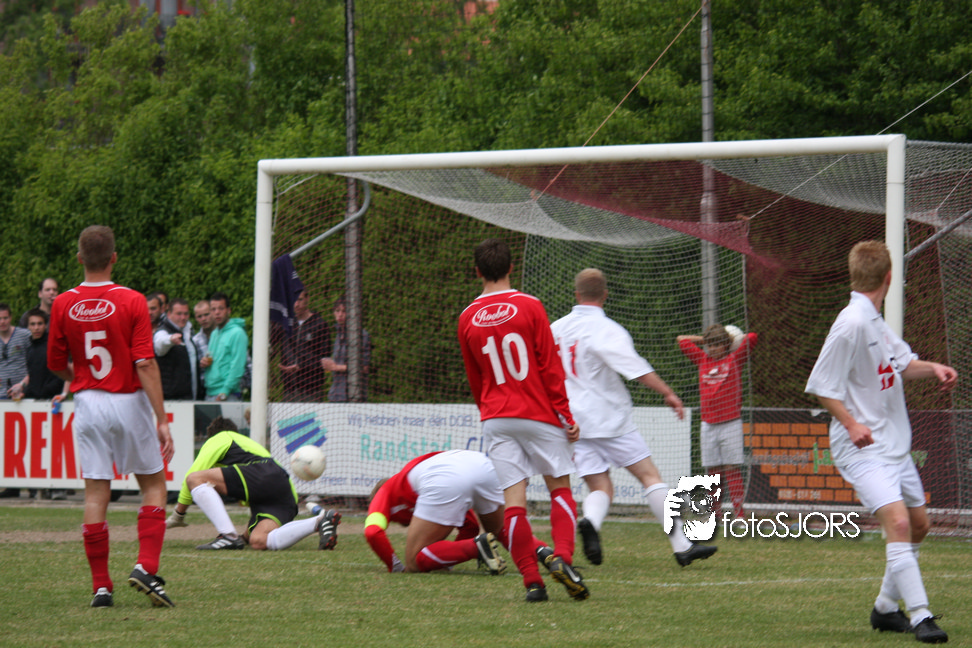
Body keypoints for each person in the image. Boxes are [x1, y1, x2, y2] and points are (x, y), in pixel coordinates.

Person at [805, 240, 956, 644]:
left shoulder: (873, 320)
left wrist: (934, 368)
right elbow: (821, 386)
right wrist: (851, 423)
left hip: (894, 445)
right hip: (862, 448)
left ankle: (886, 608)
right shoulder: (851, 323)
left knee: (919, 526)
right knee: (899, 523)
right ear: (889, 277)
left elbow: (902, 364)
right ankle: (921, 616)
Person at [552, 268, 717, 568]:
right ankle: (682, 546)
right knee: (649, 476)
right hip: (609, 418)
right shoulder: (606, 329)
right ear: (605, 295)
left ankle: (591, 521)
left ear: (576, 294)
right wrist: (668, 392)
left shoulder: (555, 329)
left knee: (600, 486)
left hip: (572, 422)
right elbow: (635, 367)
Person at [47, 225, 175, 608]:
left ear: (79, 258)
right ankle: (146, 567)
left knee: (95, 493)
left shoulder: (62, 303)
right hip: (127, 399)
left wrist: (80, 378)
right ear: (114, 258)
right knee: (153, 485)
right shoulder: (133, 300)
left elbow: (55, 362)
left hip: (87, 402)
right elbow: (145, 363)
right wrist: (162, 419)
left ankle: (101, 587)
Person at [457, 238, 589, 603]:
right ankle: (563, 559)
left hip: (496, 417)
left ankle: (533, 582)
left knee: (514, 504)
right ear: (511, 267)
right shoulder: (530, 305)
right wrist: (565, 415)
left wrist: (489, 411)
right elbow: (549, 365)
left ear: (478, 271)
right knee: (559, 488)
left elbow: (475, 376)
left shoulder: (467, 317)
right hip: (538, 413)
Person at [166, 416, 342, 552]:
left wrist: (178, 515)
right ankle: (320, 521)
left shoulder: (221, 437)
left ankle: (228, 537)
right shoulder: (247, 448)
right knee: (258, 541)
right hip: (285, 493)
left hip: (264, 474)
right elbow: (257, 491)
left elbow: (191, 477)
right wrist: (244, 537)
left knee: (195, 479)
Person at [364, 449, 507, 575]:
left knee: (413, 560)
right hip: (481, 464)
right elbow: (471, 526)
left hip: (446, 478)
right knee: (499, 529)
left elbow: (372, 532)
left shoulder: (384, 493)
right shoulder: (416, 482)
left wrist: (395, 566)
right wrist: (444, 561)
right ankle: (523, 557)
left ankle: (477, 547)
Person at [677, 323, 758, 519]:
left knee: (732, 468)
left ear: (726, 345)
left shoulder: (734, 359)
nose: (712, 349)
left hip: (730, 423)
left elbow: (752, 337)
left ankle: (739, 514)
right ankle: (716, 512)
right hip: (708, 424)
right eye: (710, 345)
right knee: (713, 471)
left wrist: (729, 338)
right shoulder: (702, 359)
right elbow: (682, 340)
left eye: (717, 345)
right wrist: (705, 339)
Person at [278, 290, 330, 401]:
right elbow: (284, 352)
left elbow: (325, 361)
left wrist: (301, 366)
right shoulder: (287, 325)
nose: (296, 304)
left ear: (307, 299)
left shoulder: (320, 324)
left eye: (300, 300)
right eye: (293, 300)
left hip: (311, 391)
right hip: (289, 390)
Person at [321, 295, 370, 402]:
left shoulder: (361, 335)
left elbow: (364, 368)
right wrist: (329, 364)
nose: (340, 314)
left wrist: (336, 367)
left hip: (354, 396)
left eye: (344, 311)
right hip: (335, 395)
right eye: (337, 311)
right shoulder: (338, 334)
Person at [203, 292, 248, 401]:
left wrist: (224, 392)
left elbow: (237, 367)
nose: (217, 312)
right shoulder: (214, 333)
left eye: (221, 308)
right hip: (210, 393)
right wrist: (204, 363)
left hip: (227, 394)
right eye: (213, 309)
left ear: (229, 310)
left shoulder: (237, 333)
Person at [154, 298, 199, 400]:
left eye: (186, 314)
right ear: (169, 314)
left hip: (189, 395)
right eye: (179, 314)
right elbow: (160, 344)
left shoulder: (189, 332)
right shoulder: (162, 331)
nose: (183, 317)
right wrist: (170, 339)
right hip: (171, 398)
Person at [0, 303, 30, 400]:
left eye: (5, 318)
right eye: (0, 319)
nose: (2, 322)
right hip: (1, 393)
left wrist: (23, 383)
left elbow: (35, 362)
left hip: (23, 390)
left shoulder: (24, 335)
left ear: (11, 317)